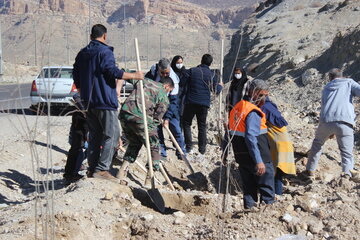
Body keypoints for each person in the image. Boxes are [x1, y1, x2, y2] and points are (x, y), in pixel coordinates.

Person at [73, 24, 143, 181]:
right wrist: (134, 76)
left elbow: (76, 75)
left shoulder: (82, 54)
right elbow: (112, 71)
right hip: (104, 100)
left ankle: (92, 169)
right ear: (104, 36)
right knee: (112, 134)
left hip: (89, 102)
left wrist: (82, 91)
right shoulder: (105, 52)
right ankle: (102, 169)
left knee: (95, 135)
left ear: (91, 36)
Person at [228, 79, 275, 209]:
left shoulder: (237, 108)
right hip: (258, 156)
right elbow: (251, 137)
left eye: (265, 95)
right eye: (261, 95)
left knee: (249, 189)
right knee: (266, 188)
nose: (264, 98)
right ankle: (267, 216)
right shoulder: (252, 112)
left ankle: (249, 214)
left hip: (242, 156)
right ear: (253, 93)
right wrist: (259, 161)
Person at [306, 68, 360, 177]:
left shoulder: (326, 87)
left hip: (326, 121)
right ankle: (347, 175)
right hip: (345, 121)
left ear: (330, 77)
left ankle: (310, 170)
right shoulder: (349, 82)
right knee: (346, 152)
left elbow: (324, 105)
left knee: (317, 144)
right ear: (342, 75)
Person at [118, 76, 173, 181]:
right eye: (169, 91)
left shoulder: (144, 80)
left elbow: (123, 74)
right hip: (141, 118)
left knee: (134, 143)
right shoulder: (163, 96)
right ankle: (150, 178)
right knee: (155, 145)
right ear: (166, 86)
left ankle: (122, 171)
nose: (168, 93)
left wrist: (117, 89)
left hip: (125, 115)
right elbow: (156, 120)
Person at [182, 54, 223, 157]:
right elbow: (216, 91)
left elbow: (182, 82)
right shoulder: (211, 74)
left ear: (201, 60)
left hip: (191, 101)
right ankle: (202, 149)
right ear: (210, 63)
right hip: (203, 104)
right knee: (202, 126)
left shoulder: (192, 71)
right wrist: (220, 86)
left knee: (186, 123)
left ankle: (188, 147)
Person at [146, 58, 186, 160]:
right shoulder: (151, 75)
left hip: (170, 109)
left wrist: (167, 118)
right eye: (162, 73)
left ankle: (181, 153)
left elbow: (173, 102)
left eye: (166, 73)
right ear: (158, 70)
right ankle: (162, 154)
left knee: (176, 130)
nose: (164, 75)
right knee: (157, 132)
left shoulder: (173, 80)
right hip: (155, 108)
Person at [261, 97, 296, 195]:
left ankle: (276, 195)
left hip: (278, 146)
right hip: (285, 145)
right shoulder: (271, 107)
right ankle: (277, 195)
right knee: (278, 173)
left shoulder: (263, 108)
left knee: (276, 173)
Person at [63, 93, 88, 184]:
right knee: (77, 150)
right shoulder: (86, 89)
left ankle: (71, 174)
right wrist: (84, 110)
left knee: (78, 150)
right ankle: (71, 174)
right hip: (79, 124)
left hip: (82, 123)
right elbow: (76, 96)